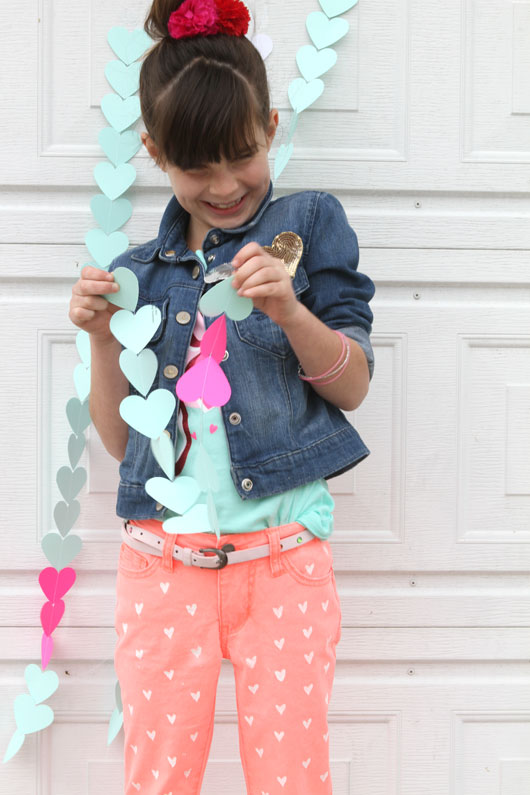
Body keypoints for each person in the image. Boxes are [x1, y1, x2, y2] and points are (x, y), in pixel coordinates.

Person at [69, 0, 375, 791]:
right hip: (162, 571)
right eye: (194, 164)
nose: (223, 184)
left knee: (291, 777)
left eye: (240, 155)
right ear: (153, 151)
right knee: (160, 778)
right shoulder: (139, 270)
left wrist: (288, 309)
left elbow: (354, 383)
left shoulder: (307, 228)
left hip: (284, 571)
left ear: (270, 126)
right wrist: (103, 337)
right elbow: (121, 441)